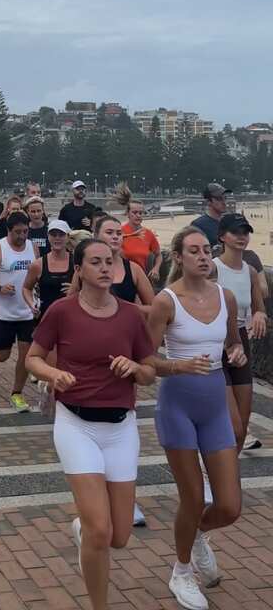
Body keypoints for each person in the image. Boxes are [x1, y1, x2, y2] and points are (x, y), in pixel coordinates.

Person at [25, 237, 158, 610]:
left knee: (119, 536)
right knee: (102, 532)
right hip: (76, 424)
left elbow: (150, 370)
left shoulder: (132, 315)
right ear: (79, 270)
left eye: (110, 261)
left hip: (120, 427)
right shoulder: (62, 312)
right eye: (95, 261)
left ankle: (82, 528)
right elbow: (33, 358)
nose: (104, 267)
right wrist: (53, 374)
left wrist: (136, 369)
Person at [147, 226, 246, 610]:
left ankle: (197, 534)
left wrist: (236, 353)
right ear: (179, 257)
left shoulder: (226, 297)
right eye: (195, 251)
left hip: (214, 409)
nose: (204, 257)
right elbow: (147, 360)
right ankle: (182, 572)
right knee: (191, 498)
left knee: (230, 507)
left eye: (208, 250)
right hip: (177, 408)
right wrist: (178, 365)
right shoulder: (165, 302)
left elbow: (233, 344)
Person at [213, 213, 267, 454]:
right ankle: (211, 470)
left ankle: (227, 475)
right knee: (231, 425)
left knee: (242, 426)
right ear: (222, 236)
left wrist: (259, 315)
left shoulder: (250, 272)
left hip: (241, 341)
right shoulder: (212, 268)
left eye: (245, 232)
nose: (242, 237)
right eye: (236, 232)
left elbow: (259, 307)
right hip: (215, 343)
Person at [0, 211, 39, 412]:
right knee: (3, 355)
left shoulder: (33, 248)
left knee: (26, 356)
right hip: (3, 313)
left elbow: (37, 274)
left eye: (25, 231)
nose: (22, 236)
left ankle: (17, 393)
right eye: (18, 232)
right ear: (9, 230)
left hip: (27, 311)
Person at [23, 219, 74, 321]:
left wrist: (76, 289)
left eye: (61, 235)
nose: (57, 238)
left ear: (68, 237)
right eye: (53, 235)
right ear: (48, 236)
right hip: (45, 318)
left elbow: (90, 288)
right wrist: (32, 305)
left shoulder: (77, 262)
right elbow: (26, 288)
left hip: (71, 318)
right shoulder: (38, 264)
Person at [116, 184, 162, 282]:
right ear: (127, 213)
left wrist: (156, 269)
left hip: (142, 278)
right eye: (135, 212)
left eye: (141, 213)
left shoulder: (148, 234)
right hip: (122, 278)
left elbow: (158, 255)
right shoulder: (119, 232)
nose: (138, 215)